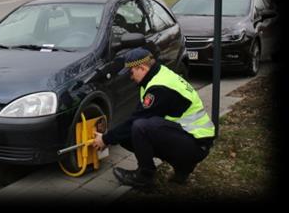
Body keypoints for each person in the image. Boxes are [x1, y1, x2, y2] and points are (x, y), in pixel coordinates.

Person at [92, 47, 215, 187]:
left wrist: (105, 139)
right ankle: (182, 167)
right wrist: (113, 136)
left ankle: (144, 176)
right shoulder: (158, 74)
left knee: (140, 126)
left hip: (197, 144)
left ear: (142, 68)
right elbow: (139, 114)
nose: (131, 77)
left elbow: (136, 121)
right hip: (190, 138)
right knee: (127, 134)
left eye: (131, 72)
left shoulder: (159, 88)